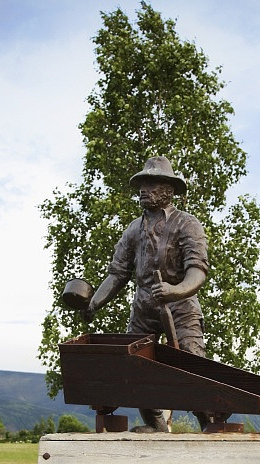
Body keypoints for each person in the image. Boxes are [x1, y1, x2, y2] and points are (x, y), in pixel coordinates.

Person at [83, 156, 210, 432]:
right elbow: (117, 274)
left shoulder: (187, 224)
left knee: (193, 362)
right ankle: (155, 424)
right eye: (142, 184)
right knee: (136, 364)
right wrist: (94, 303)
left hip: (181, 305)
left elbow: (197, 271)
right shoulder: (133, 229)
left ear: (168, 189)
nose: (143, 189)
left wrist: (175, 290)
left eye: (151, 184)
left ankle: (209, 423)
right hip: (144, 306)